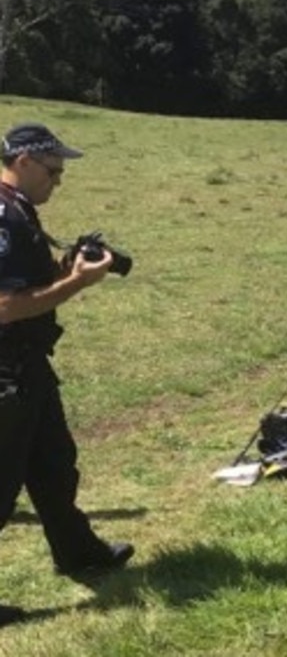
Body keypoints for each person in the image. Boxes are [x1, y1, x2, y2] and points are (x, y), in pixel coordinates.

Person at [0, 123, 133, 627]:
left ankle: (80, 554)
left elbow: (27, 287)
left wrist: (63, 269)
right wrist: (76, 284)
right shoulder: (3, 218)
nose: (59, 181)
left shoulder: (20, 212)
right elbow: (7, 307)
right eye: (53, 171)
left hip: (29, 366)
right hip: (6, 371)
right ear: (25, 162)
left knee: (54, 464)